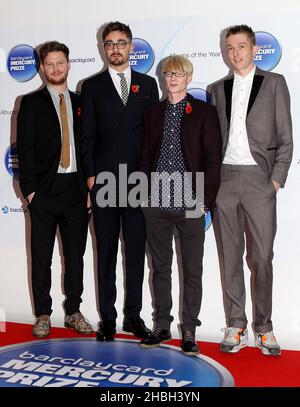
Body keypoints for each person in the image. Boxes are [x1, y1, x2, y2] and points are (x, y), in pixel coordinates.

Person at [211, 25, 293, 356]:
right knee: (229, 256)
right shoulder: (218, 89)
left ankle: (264, 327)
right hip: (225, 181)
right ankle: (236, 323)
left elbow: (286, 138)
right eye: (229, 47)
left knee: (261, 257)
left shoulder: (274, 84)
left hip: (260, 181)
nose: (235, 53)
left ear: (254, 48)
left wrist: (275, 180)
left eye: (241, 46)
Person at [80, 21, 159, 341]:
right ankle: (108, 319)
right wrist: (90, 176)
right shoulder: (92, 85)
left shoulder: (148, 84)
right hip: (104, 180)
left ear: (131, 47)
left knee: (136, 252)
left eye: (121, 43)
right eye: (109, 43)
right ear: (103, 48)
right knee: (106, 253)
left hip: (139, 180)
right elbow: (87, 136)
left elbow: (154, 136)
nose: (115, 48)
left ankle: (134, 317)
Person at [139, 55, 222, 355]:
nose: (172, 78)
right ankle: (161, 326)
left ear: (189, 77)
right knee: (160, 267)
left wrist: (206, 201)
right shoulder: (152, 113)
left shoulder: (204, 112)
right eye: (167, 73)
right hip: (156, 201)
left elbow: (213, 160)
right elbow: (145, 156)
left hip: (191, 200)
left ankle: (189, 330)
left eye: (178, 73)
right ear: (163, 78)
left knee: (192, 268)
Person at [17, 41, 93, 338]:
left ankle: (73, 311)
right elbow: (24, 149)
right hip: (44, 192)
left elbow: (88, 148)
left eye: (60, 62)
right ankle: (43, 314)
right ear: (41, 68)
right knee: (41, 258)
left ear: (69, 64)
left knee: (75, 257)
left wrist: (89, 188)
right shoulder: (30, 103)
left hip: (76, 190)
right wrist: (31, 192)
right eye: (49, 64)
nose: (56, 68)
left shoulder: (82, 102)